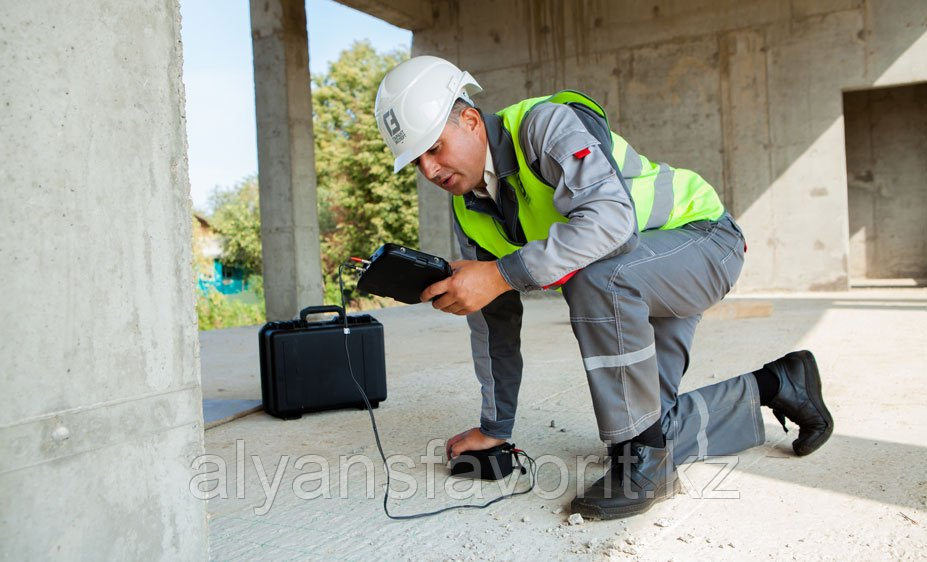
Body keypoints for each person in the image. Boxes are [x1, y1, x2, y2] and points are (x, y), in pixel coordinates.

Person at [374, 55, 833, 519]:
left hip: (702, 241)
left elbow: (613, 223)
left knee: (596, 280)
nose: (430, 171)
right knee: (651, 426)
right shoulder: (469, 210)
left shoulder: (544, 126)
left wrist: (498, 274)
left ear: (471, 120)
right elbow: (493, 324)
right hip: (637, 276)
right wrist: (495, 428)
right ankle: (780, 383)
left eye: (434, 148)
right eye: (417, 161)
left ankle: (643, 468)